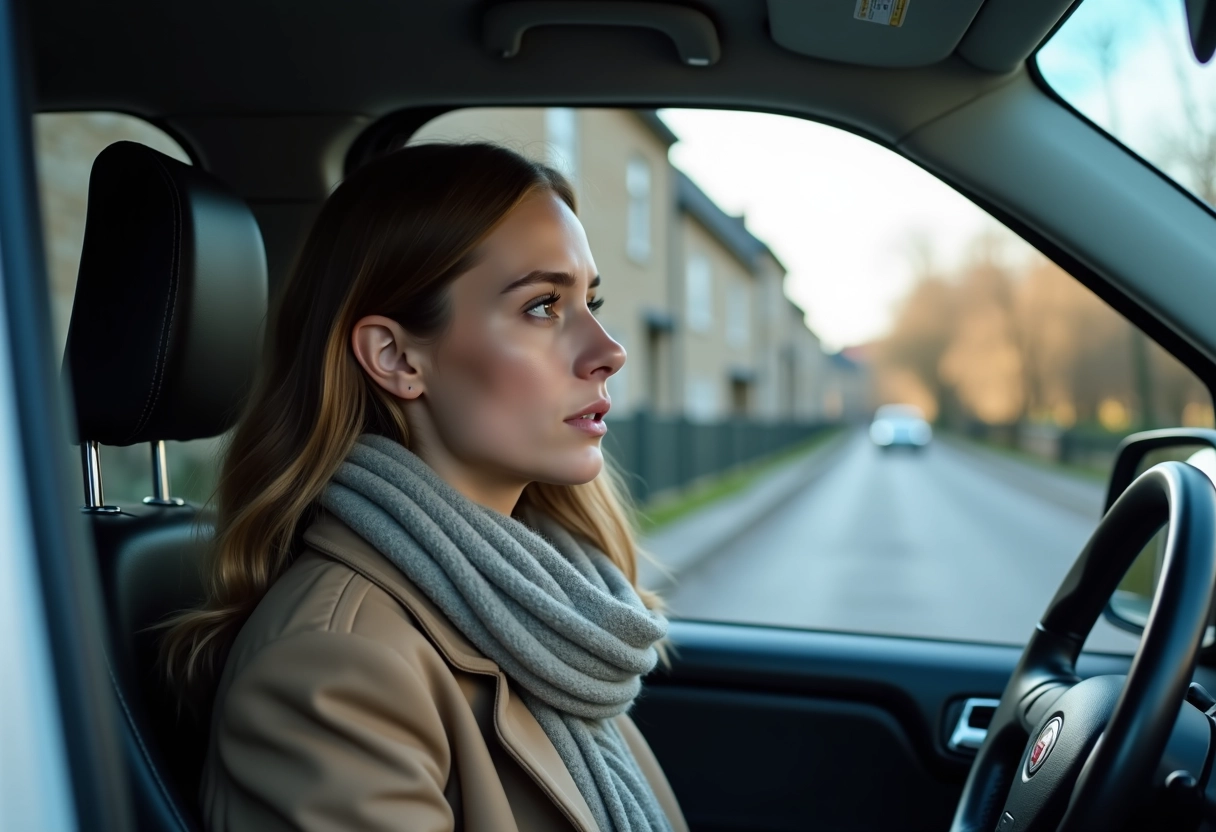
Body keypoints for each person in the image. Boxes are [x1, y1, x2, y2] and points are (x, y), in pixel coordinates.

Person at [161, 142, 686, 832]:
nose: (609, 350)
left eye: (590, 300)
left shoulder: (559, 609)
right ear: (398, 358)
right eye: (541, 306)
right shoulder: (334, 668)